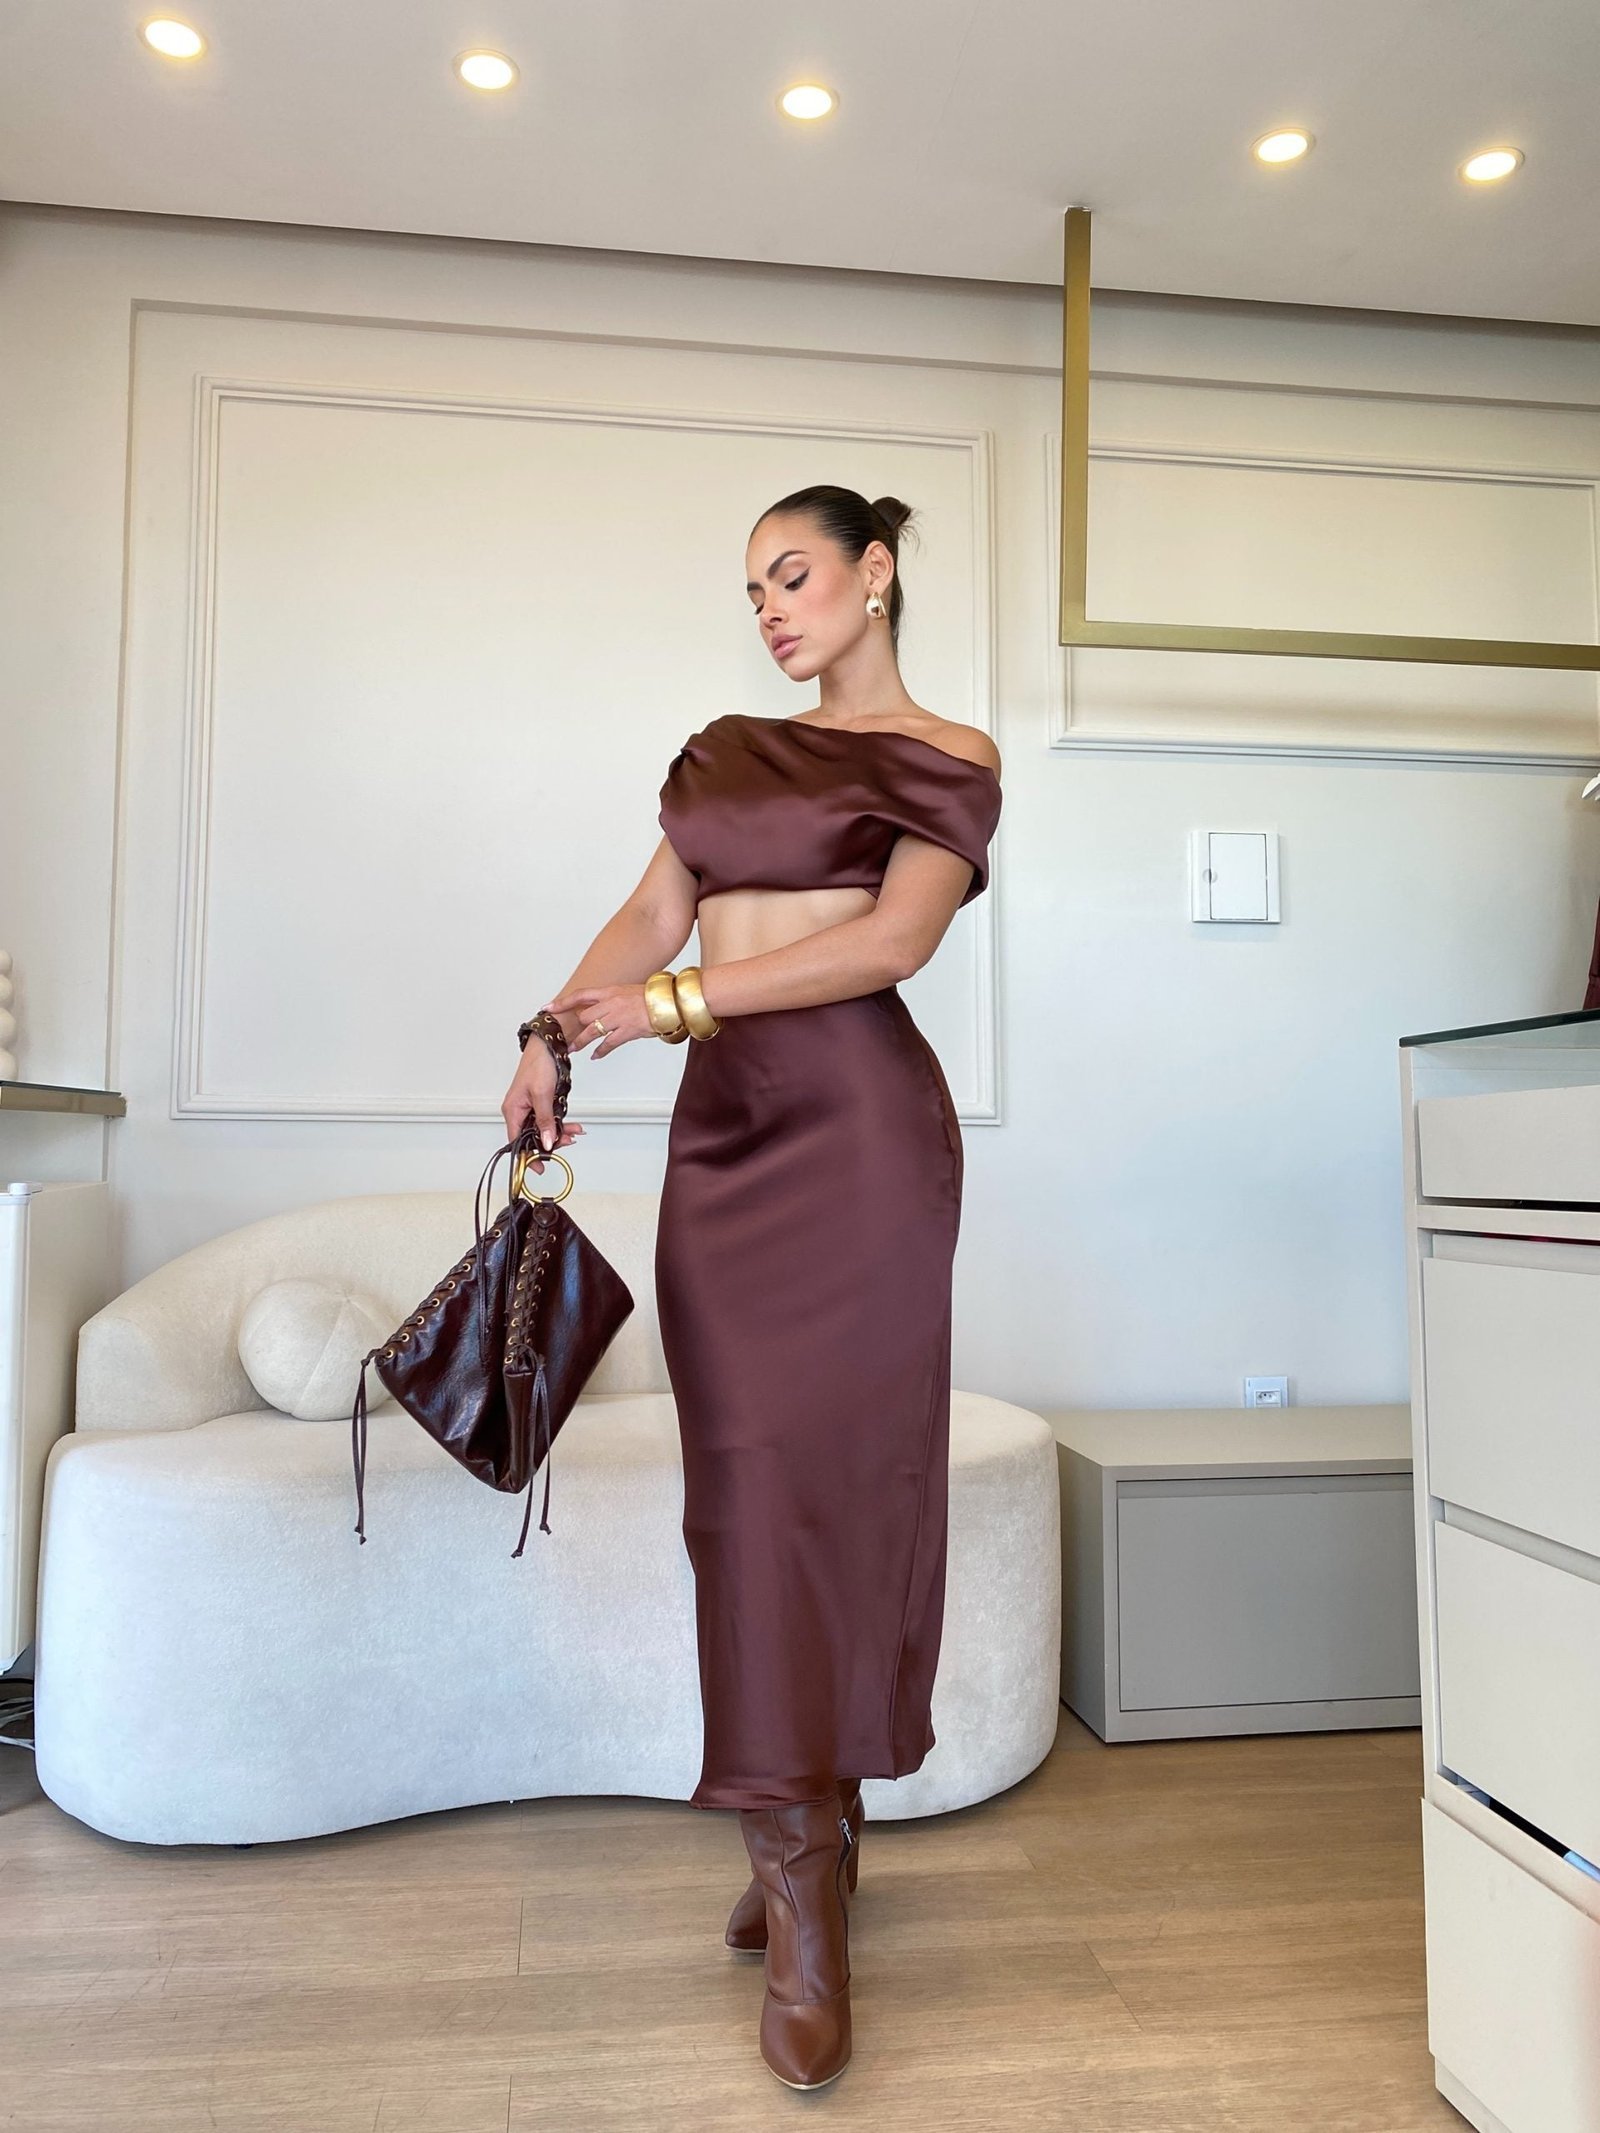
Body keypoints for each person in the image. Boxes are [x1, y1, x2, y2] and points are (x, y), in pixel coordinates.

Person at [501, 485, 1003, 2091]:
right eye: (754, 590)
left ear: (877, 573)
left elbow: (890, 945)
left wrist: (670, 1005)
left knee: (844, 1487)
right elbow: (653, 911)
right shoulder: (724, 750)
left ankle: (806, 1879)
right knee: (744, 1500)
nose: (773, 608)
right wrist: (552, 1028)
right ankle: (803, 1838)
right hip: (728, 1158)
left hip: (863, 1147)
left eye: (795, 575)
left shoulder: (951, 754)